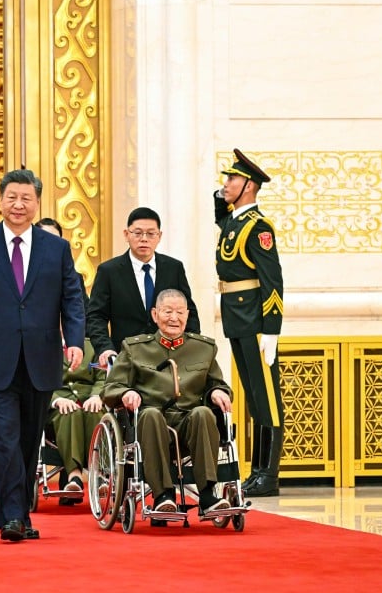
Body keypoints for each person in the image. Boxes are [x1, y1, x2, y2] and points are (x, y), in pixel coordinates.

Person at [0, 168, 86, 542]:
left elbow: (71, 298)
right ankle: (10, 516)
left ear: (37, 203)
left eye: (26, 198)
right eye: (11, 197)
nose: (18, 204)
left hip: (41, 357)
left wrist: (73, 339)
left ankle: (23, 511)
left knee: (29, 440)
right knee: (4, 439)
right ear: (0, 200)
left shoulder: (55, 247)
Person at [101, 289, 233, 514]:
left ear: (187, 315)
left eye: (180, 312)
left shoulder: (204, 349)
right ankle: (163, 495)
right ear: (155, 315)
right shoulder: (135, 349)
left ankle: (208, 495)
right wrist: (126, 394)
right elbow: (111, 388)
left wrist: (218, 392)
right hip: (151, 426)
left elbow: (217, 383)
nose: (174, 318)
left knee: (203, 412)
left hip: (189, 425)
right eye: (167, 311)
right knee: (151, 414)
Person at [215, 148, 285, 497]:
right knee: (254, 398)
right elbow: (220, 214)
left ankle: (267, 475)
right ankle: (256, 471)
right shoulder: (234, 222)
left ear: (250, 186)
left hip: (256, 323)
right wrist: (224, 196)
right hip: (237, 320)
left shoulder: (259, 228)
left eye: (232, 179)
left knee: (267, 398)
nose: (225, 183)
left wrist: (272, 329)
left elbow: (273, 280)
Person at [87, 207, 200, 368]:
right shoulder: (109, 271)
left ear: (159, 236)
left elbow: (189, 312)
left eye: (151, 234)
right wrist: (105, 348)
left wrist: (191, 347)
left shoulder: (173, 268)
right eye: (138, 233)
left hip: (169, 357)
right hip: (125, 357)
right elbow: (96, 316)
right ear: (126, 234)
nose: (144, 239)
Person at [48, 339, 101, 505]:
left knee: (95, 413)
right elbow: (37, 380)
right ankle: (74, 476)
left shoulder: (91, 347)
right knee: (70, 412)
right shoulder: (43, 345)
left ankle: (99, 474)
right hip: (59, 406)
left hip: (89, 400)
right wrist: (56, 400)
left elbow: (102, 377)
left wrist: (97, 395)